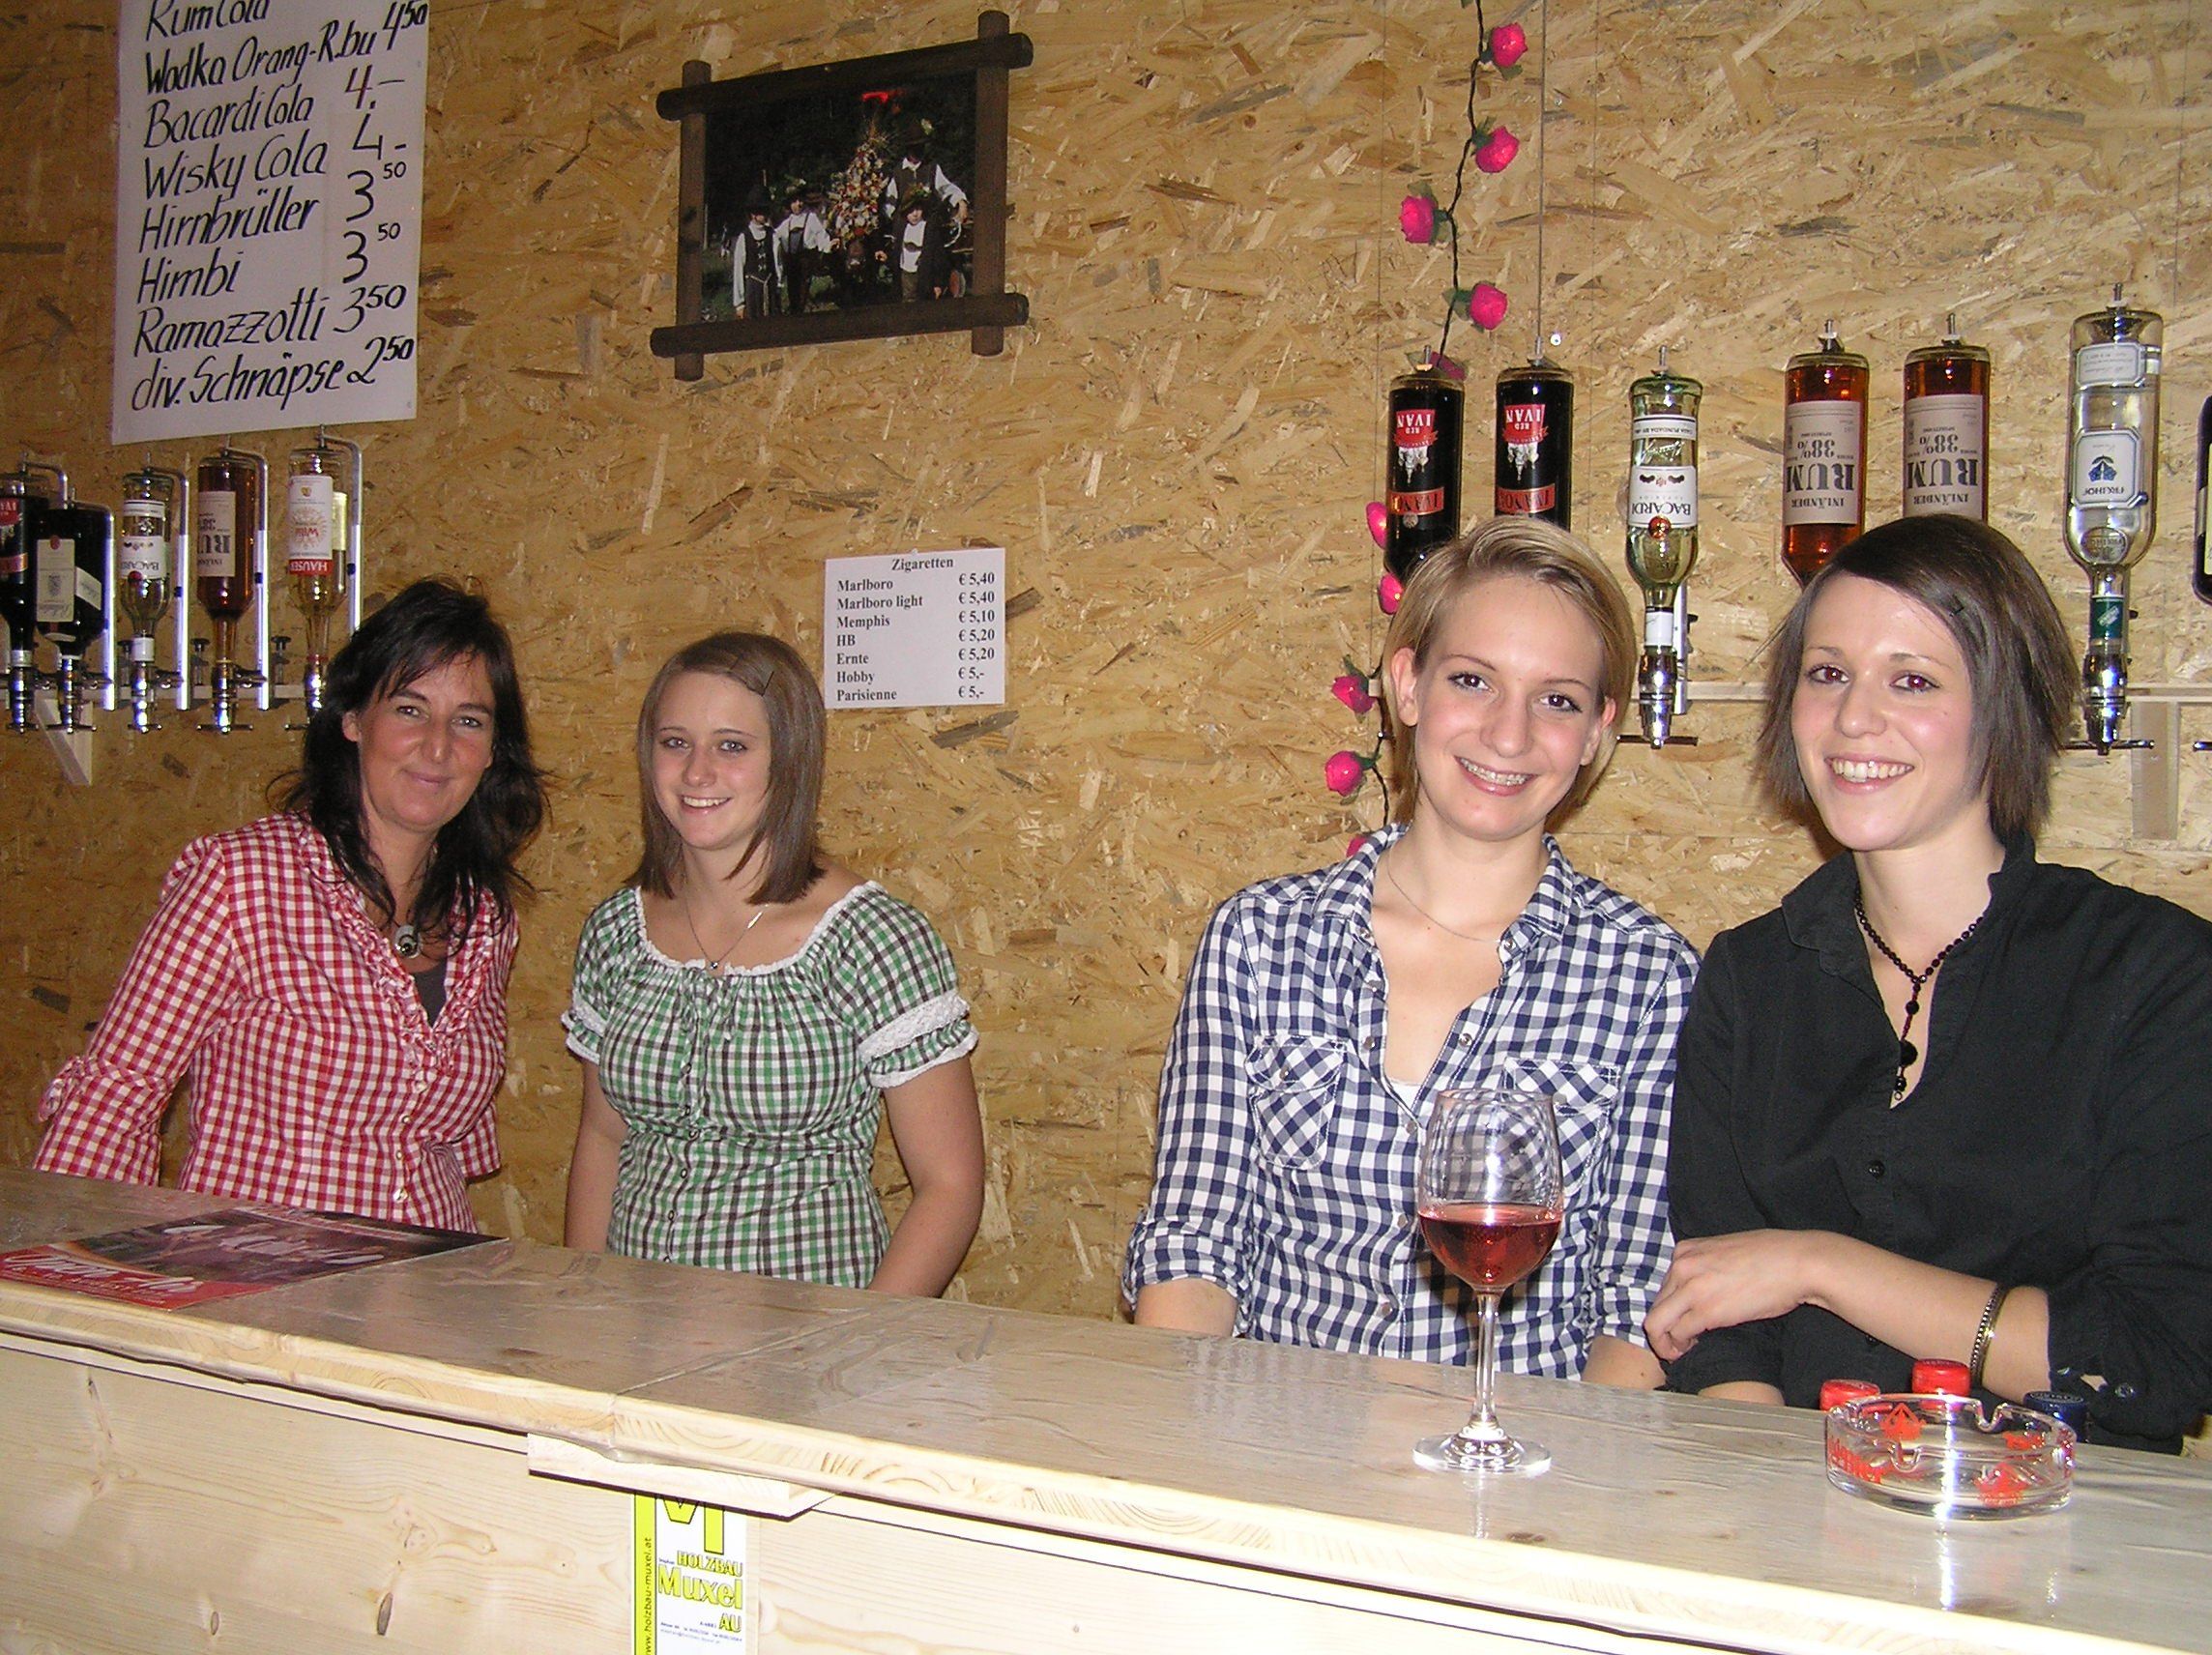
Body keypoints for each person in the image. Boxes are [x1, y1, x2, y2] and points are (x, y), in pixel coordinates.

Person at [1648, 515, 2212, 1451]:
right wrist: (1760, 1501)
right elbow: (1717, 1324)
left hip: (2061, 1515)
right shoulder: (1749, 977)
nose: (1852, 718)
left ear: (2005, 707)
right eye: (1826, 673)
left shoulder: (2151, 973)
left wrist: (1821, 1266)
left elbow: (2151, 1360)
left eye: (1911, 680)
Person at [1122, 518, 1697, 1384]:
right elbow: (1192, 1249)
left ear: (1596, 731)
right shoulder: (1261, 940)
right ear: (1408, 685)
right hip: (1277, 1440)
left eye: (1557, 700)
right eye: (1473, 680)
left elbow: (1635, 1309)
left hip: (1529, 1453)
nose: (1509, 735)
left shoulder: (1649, 979)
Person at [36, 579, 548, 1232]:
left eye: (468, 720)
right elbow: (115, 1097)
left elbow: (444, 1144)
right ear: (353, 719)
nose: (439, 746)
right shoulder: (241, 880)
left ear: (493, 752)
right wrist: (69, 1271)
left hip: (428, 1272)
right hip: (254, 1274)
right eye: (410, 709)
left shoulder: (485, 918)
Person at [563, 632, 984, 1293]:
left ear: (788, 759)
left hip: (808, 1327)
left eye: (732, 746)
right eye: (675, 742)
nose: (697, 772)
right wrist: (583, 1303)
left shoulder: (871, 939)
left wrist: (859, 1337)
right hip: (635, 1322)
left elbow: (949, 1185)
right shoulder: (618, 932)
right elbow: (602, 1139)